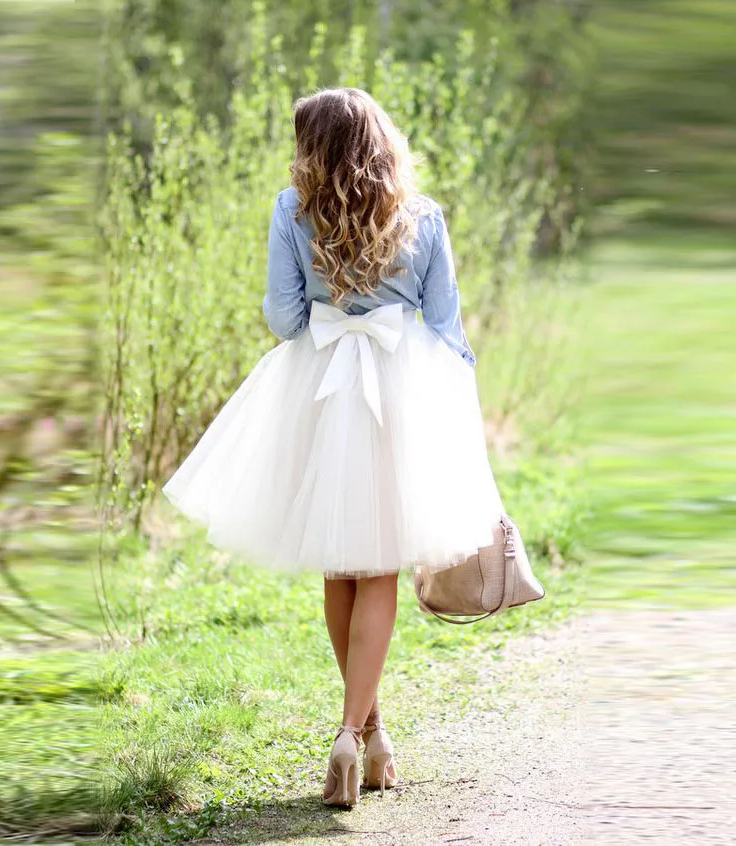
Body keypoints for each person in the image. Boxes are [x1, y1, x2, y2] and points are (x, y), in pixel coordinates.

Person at [163, 87, 504, 807]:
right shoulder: (424, 217)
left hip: (321, 390)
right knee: (379, 569)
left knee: (339, 569)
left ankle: (365, 737)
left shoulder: (292, 211)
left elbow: (286, 320)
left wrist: (325, 298)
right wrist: (461, 422)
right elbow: (445, 327)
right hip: (401, 395)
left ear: (313, 148)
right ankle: (356, 736)